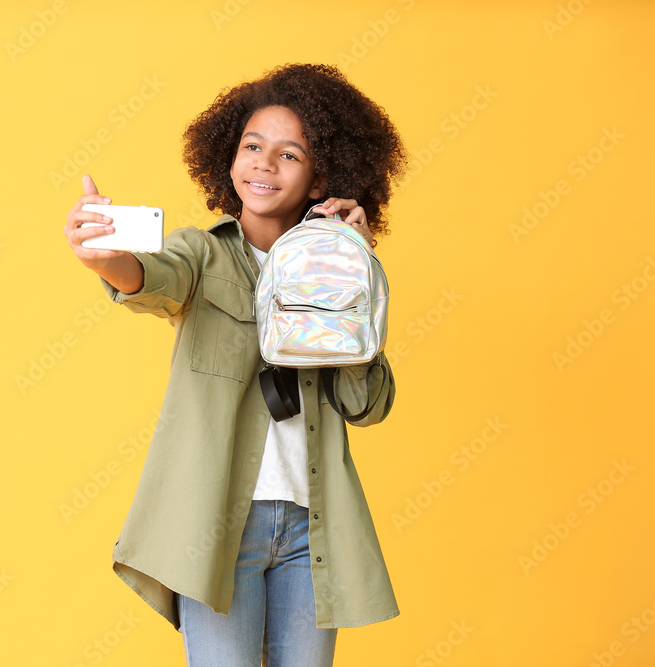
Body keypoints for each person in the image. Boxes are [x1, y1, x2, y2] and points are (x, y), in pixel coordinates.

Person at [63, 63, 407, 667]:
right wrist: (106, 261)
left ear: (321, 175)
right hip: (220, 529)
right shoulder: (201, 253)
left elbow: (367, 405)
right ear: (228, 155)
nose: (264, 164)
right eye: (252, 145)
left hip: (311, 531)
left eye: (289, 154)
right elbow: (149, 279)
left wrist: (347, 266)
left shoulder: (340, 272)